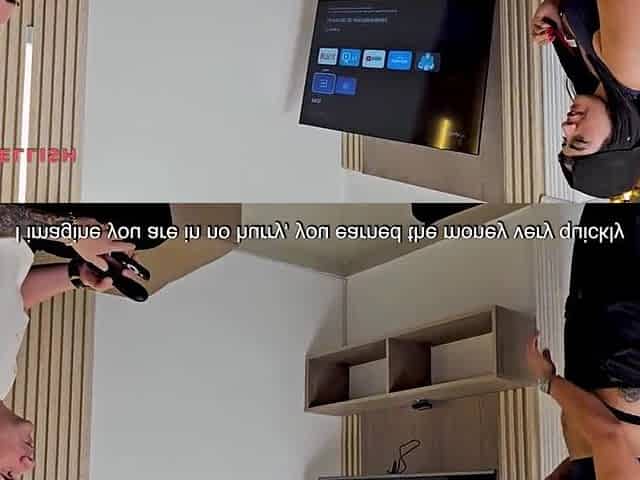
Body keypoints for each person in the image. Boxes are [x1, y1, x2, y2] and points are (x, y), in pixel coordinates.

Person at [0, 205, 145, 480]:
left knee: (146, 227)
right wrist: (78, 274)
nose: (29, 464)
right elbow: (12, 301)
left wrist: (71, 232)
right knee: (135, 234)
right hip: (24, 237)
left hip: (16, 216)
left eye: (8, 474)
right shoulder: (2, 384)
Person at [527, 205, 640, 479]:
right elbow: (609, 436)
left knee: (606, 211)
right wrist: (547, 381)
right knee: (619, 211)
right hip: (617, 353)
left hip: (605, 359)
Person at [531, 0, 640, 198]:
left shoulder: (598, 76)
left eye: (566, 139)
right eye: (580, 140)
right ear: (620, 140)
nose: (566, 127)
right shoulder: (629, 69)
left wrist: (555, 5)